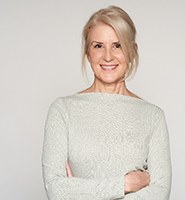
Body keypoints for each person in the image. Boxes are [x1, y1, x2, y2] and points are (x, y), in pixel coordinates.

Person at [42, 5, 172, 200]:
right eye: (98, 46)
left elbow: (160, 193)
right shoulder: (63, 110)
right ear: (88, 52)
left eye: (117, 45)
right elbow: (55, 189)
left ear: (132, 51)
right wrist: (124, 184)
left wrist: (80, 191)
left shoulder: (153, 116)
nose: (108, 56)